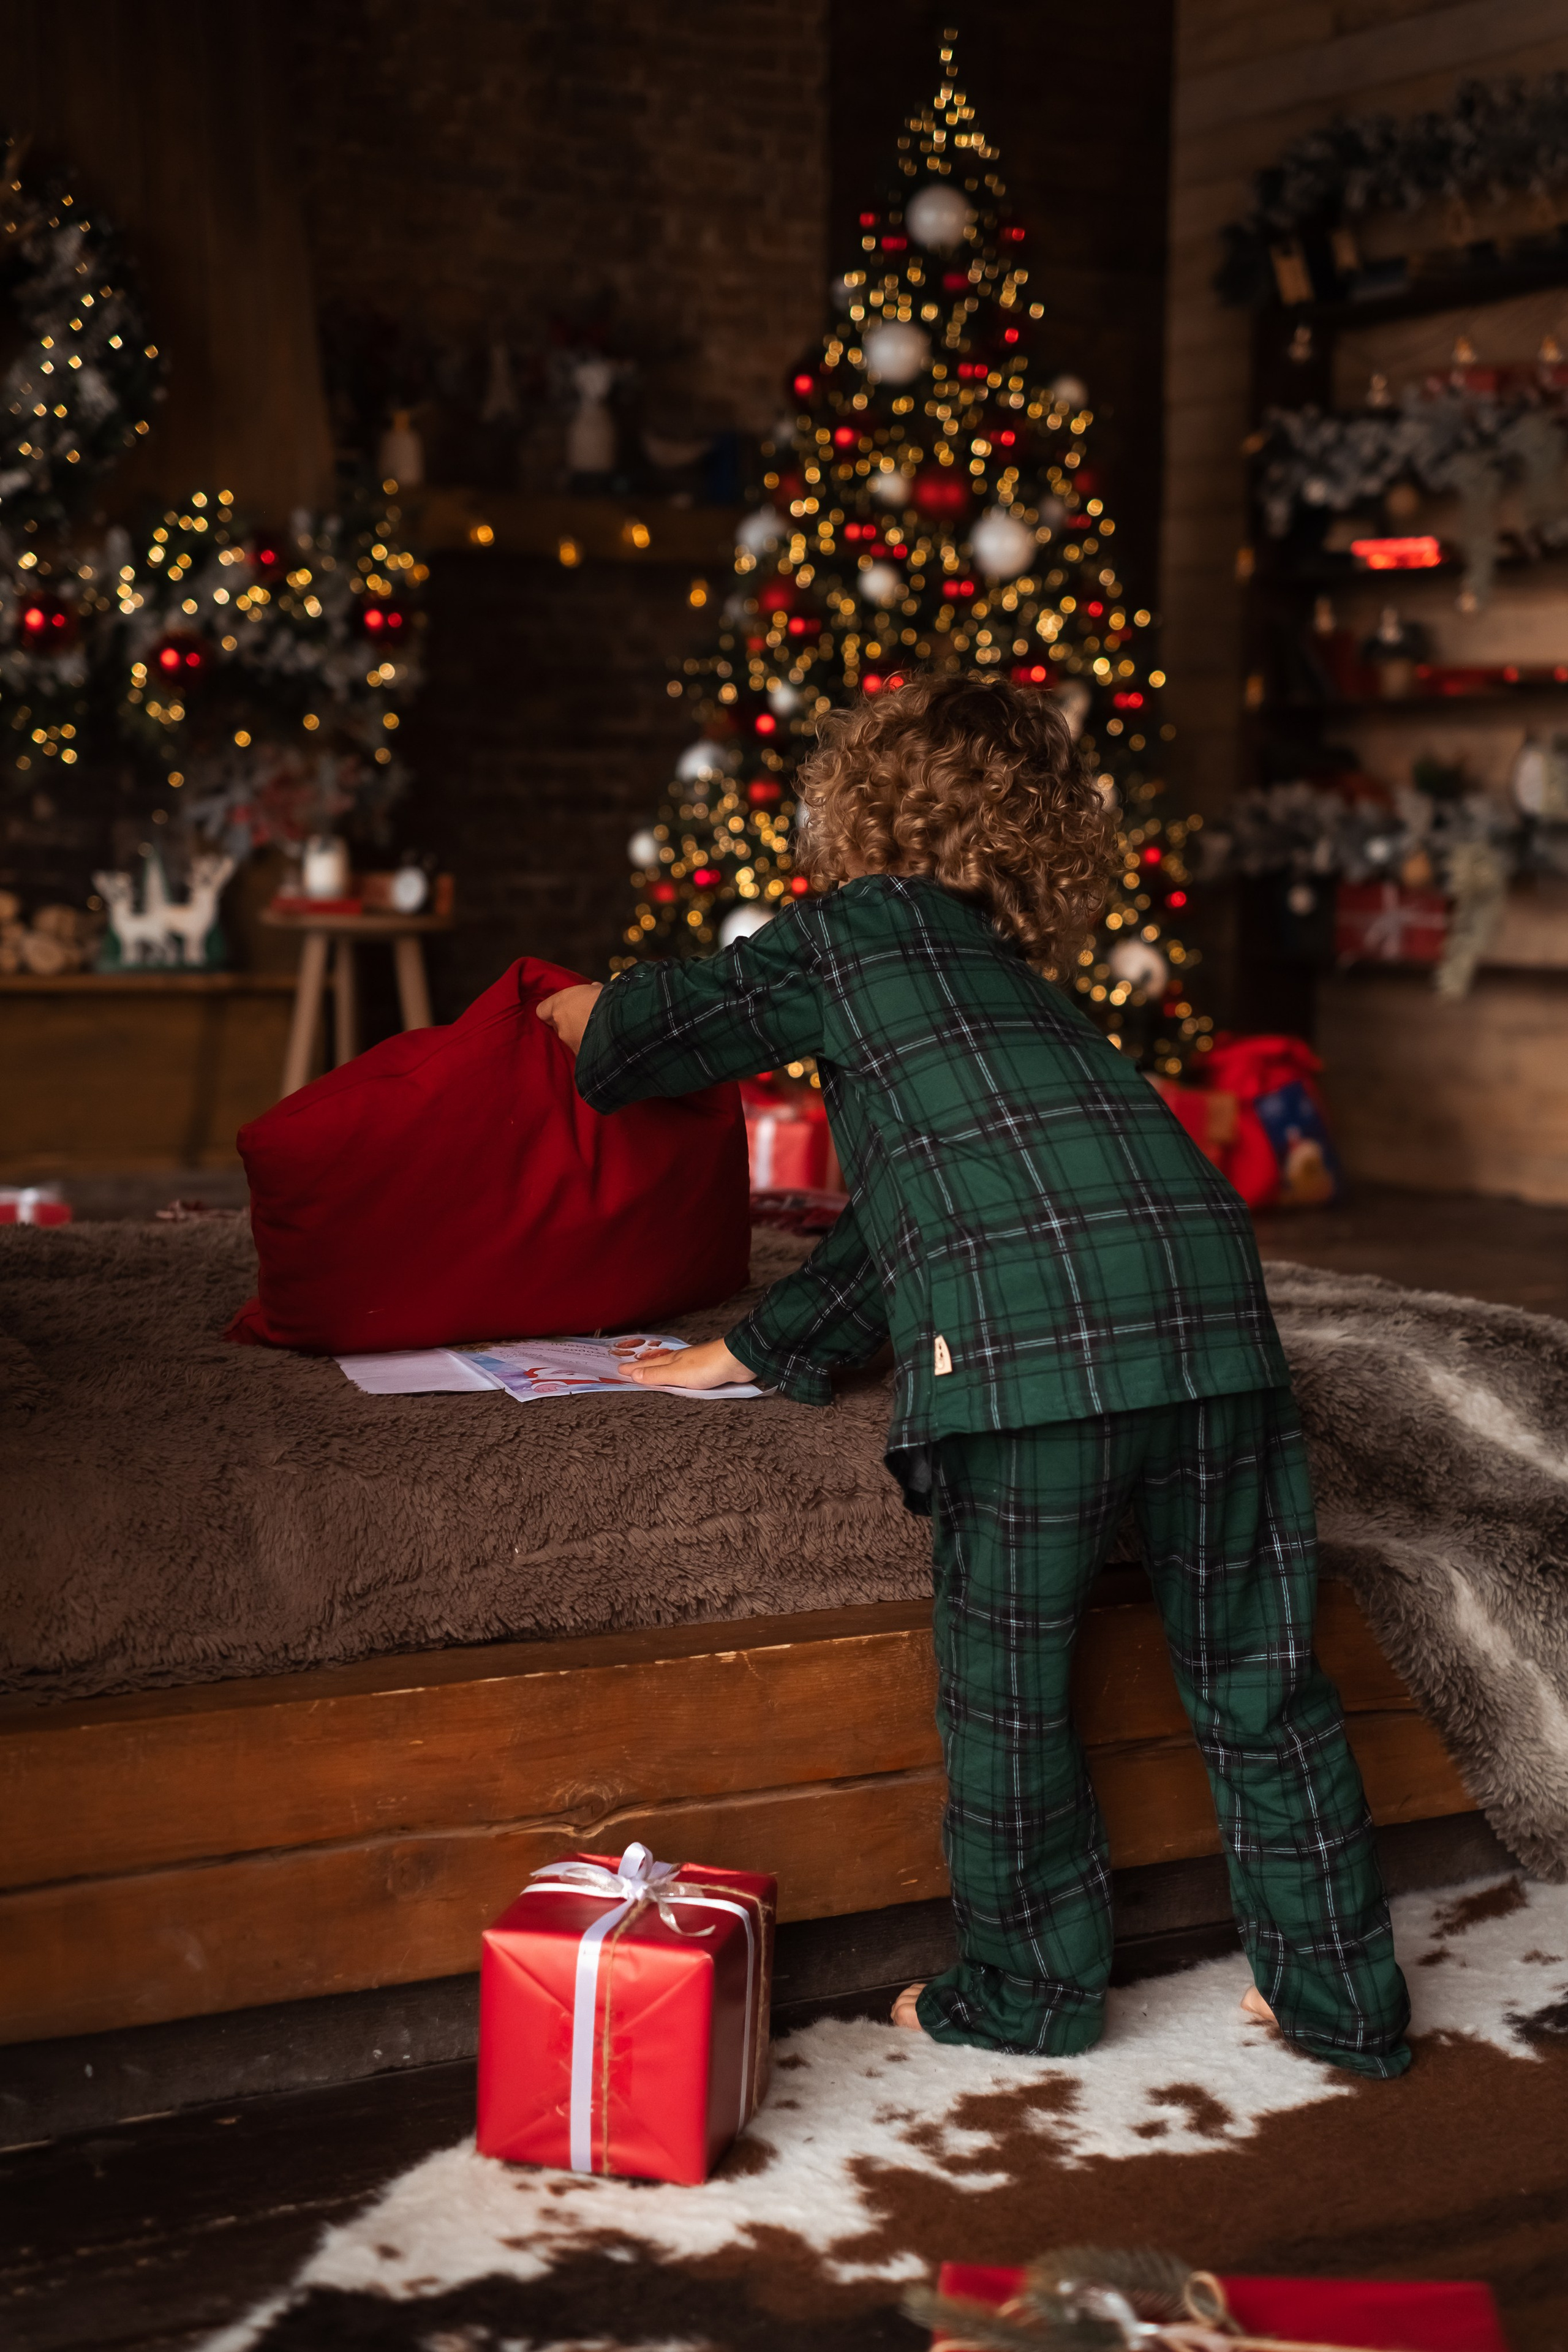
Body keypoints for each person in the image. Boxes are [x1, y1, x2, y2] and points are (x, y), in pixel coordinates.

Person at [538, 673, 1411, 2078]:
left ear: (855, 811)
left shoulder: (845, 933)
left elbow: (647, 1038)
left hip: (1032, 1374)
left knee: (1007, 1691)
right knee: (1260, 1678)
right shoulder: (1030, 996)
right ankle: (1340, 1997)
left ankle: (1027, 1993)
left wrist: (561, 1007)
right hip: (1216, 1328)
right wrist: (762, 1345)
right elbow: (920, 1215)